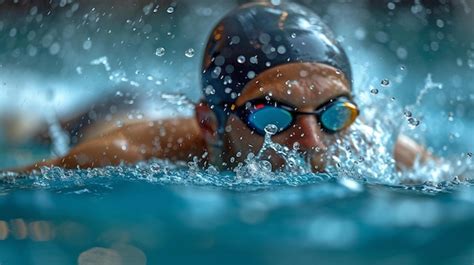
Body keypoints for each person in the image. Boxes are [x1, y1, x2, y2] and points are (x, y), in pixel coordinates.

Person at [16, 2, 429, 173]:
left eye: (334, 113)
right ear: (210, 124)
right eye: (272, 116)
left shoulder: (378, 146)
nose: (311, 140)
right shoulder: (125, 154)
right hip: (113, 113)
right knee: (21, 125)